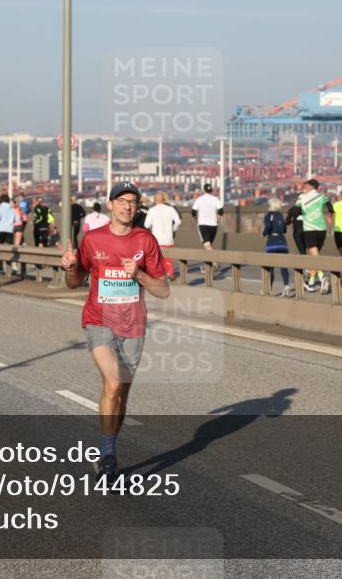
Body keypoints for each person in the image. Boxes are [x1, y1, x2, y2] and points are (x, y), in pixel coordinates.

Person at [58, 181, 169, 482]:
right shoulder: (93, 240)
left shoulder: (146, 241)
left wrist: (141, 274)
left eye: (133, 201)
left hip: (133, 325)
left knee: (122, 394)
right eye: (121, 201)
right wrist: (70, 268)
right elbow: (73, 282)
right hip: (99, 320)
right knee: (113, 382)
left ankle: (109, 448)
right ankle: (108, 458)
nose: (127, 206)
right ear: (110, 205)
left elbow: (163, 291)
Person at [296, 179, 333, 294]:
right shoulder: (322, 197)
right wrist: (330, 216)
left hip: (310, 229)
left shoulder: (302, 197)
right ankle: (311, 282)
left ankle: (322, 277)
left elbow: (296, 210)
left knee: (314, 256)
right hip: (322, 230)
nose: (304, 186)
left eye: (306, 185)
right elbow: (330, 207)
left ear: (311, 186)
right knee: (314, 257)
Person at [143, 191, 181, 278]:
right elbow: (178, 221)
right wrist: (174, 229)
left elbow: (146, 225)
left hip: (157, 239)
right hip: (169, 238)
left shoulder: (152, 210)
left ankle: (161, 275)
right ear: (164, 199)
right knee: (168, 259)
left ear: (155, 200)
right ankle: (170, 274)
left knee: (158, 258)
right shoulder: (170, 209)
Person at [262, 198, 292, 297]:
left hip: (272, 244)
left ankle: (268, 289)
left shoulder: (269, 215)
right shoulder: (281, 216)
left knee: (270, 267)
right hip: (283, 243)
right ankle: (286, 285)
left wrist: (263, 233)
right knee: (283, 267)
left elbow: (268, 226)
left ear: (271, 205)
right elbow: (284, 230)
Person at [191, 183, 223, 262]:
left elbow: (193, 212)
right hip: (213, 225)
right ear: (211, 190)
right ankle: (209, 267)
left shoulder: (199, 199)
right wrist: (218, 218)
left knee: (207, 245)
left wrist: (196, 218)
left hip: (203, 224)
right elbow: (221, 210)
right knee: (209, 245)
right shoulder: (215, 199)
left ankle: (215, 261)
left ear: (204, 190)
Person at [0, 194, 18, 274]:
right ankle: (13, 266)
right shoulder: (12, 208)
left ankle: (1, 267)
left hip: (1, 230)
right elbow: (17, 219)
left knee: (0, 249)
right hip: (9, 230)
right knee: (10, 249)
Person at [285, 191, 306, 257]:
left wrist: (293, 221)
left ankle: (304, 265)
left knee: (302, 251)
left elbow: (287, 222)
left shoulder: (292, 209)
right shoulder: (308, 208)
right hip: (308, 231)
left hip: (297, 232)